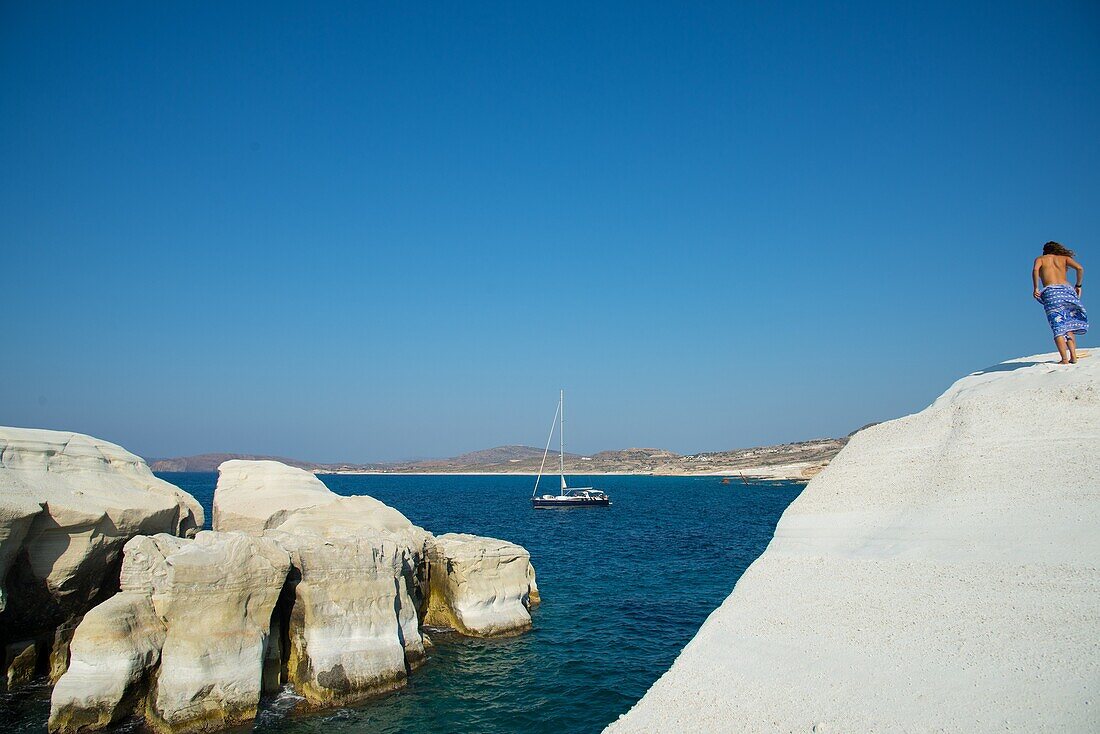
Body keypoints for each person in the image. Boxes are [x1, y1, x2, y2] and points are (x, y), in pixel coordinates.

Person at [1032, 242, 1087, 364]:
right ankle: (1073, 356)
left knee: (1058, 325)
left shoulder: (1040, 259)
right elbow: (1080, 268)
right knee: (1069, 324)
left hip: (1051, 293)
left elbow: (1035, 270)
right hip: (1067, 290)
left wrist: (1036, 287)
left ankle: (1064, 359)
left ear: (1045, 251)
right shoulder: (1064, 258)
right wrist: (1078, 285)